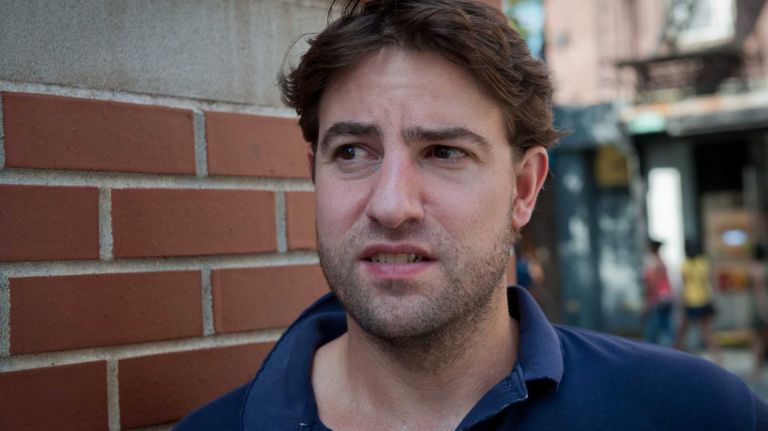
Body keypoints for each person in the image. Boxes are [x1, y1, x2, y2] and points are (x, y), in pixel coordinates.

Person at [176, 1, 767, 429]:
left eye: (443, 152)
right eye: (352, 152)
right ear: (315, 174)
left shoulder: (696, 413)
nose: (390, 204)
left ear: (524, 189)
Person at [674, 240, 722, 364]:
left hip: (690, 300)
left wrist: (681, 303)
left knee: (682, 331)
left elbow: (684, 285)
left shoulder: (685, 264)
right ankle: (718, 357)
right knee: (707, 331)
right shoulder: (703, 262)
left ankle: (675, 356)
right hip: (704, 299)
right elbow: (710, 282)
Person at [642, 239, 674, 345]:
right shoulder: (661, 261)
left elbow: (652, 284)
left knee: (652, 332)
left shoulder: (652, 263)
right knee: (666, 328)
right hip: (666, 298)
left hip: (657, 300)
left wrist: (647, 302)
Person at [750, 243, 768, 378]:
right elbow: (760, 292)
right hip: (761, 306)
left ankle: (758, 368)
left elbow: (758, 292)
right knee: (761, 338)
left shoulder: (754, 268)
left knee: (757, 339)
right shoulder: (762, 268)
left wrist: (762, 310)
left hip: (758, 306)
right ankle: (758, 367)